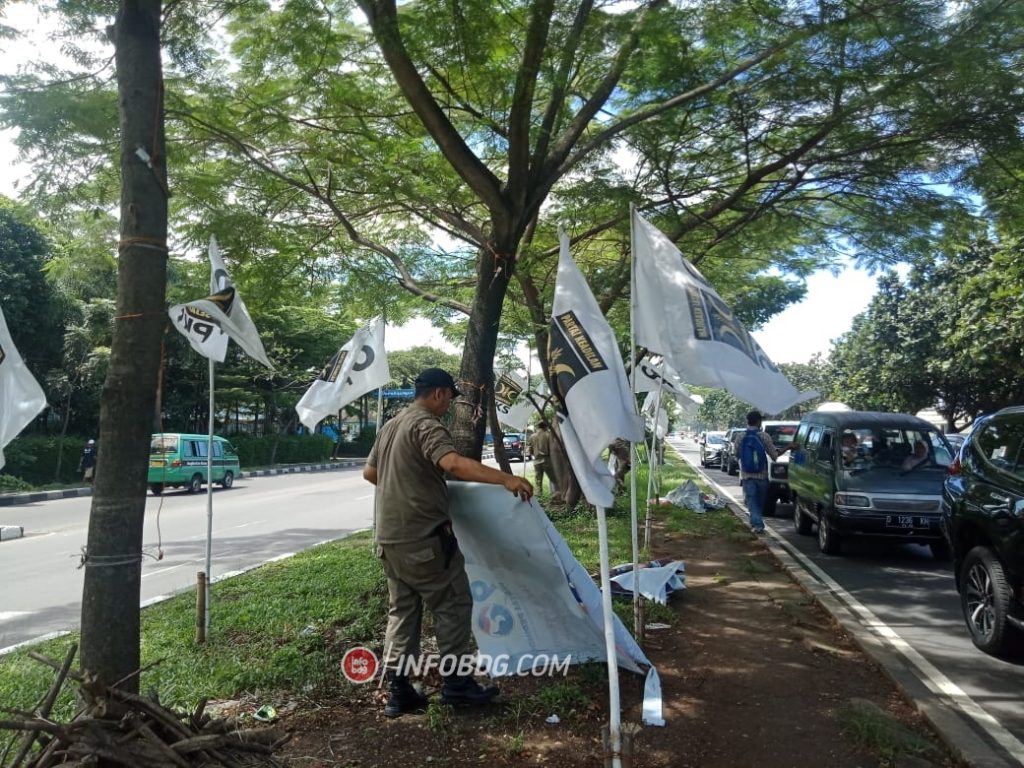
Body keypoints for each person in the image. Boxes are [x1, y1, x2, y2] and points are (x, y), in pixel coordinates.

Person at [362, 368, 533, 718]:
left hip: (389, 541)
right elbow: (452, 463)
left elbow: (371, 473)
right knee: (453, 604)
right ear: (439, 394)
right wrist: (506, 479)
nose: (451, 406)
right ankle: (457, 687)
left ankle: (400, 691)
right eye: (451, 399)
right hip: (424, 540)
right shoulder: (426, 424)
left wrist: (411, 482)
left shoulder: (392, 425)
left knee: (403, 612)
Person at [733, 411, 792, 534]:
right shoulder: (764, 436)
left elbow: (736, 455)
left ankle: (756, 523)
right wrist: (788, 447)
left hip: (747, 475)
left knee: (752, 501)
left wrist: (746, 462)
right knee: (759, 501)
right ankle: (758, 524)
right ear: (758, 422)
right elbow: (775, 455)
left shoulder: (740, 436)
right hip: (762, 475)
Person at [528, 421, 557, 495]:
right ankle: (555, 494)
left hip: (536, 461)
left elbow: (530, 450)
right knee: (553, 479)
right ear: (545, 426)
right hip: (546, 460)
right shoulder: (548, 435)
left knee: (538, 481)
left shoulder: (532, 436)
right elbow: (552, 448)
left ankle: (539, 496)